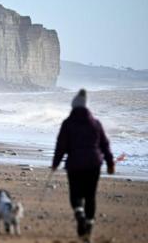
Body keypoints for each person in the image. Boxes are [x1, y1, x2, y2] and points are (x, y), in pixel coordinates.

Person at [51, 89, 115, 242]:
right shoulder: (95, 123)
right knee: (90, 196)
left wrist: (55, 163)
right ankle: (89, 226)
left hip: (75, 164)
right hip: (94, 164)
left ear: (73, 106)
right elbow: (105, 145)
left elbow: (61, 146)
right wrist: (110, 163)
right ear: (87, 107)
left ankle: (80, 216)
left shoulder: (67, 123)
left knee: (76, 194)